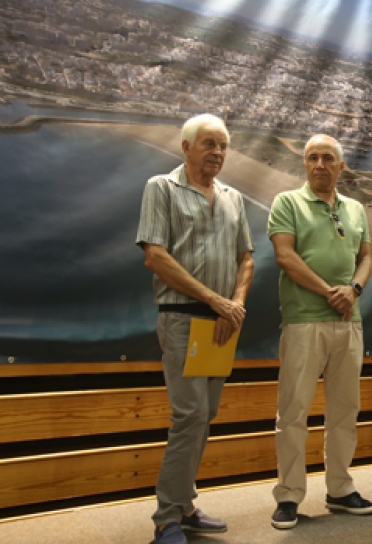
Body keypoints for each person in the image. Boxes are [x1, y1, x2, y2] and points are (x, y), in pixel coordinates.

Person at [136, 113, 256, 544]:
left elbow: (247, 258)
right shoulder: (161, 188)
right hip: (183, 319)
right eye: (209, 144)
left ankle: (185, 506)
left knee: (205, 416)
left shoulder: (232, 198)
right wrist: (215, 300)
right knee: (188, 416)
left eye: (223, 145)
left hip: (223, 324)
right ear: (186, 147)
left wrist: (235, 305)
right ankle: (166, 518)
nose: (218, 153)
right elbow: (155, 255)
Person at [267, 134, 372, 528]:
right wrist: (331, 292)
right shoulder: (287, 202)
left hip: (350, 322)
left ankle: (340, 488)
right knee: (294, 411)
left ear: (341, 167)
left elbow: (366, 257)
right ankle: (290, 495)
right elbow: (285, 255)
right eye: (312, 157)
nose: (319, 164)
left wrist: (355, 290)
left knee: (345, 410)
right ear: (305, 163)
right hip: (303, 320)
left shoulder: (356, 209)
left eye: (328, 158)